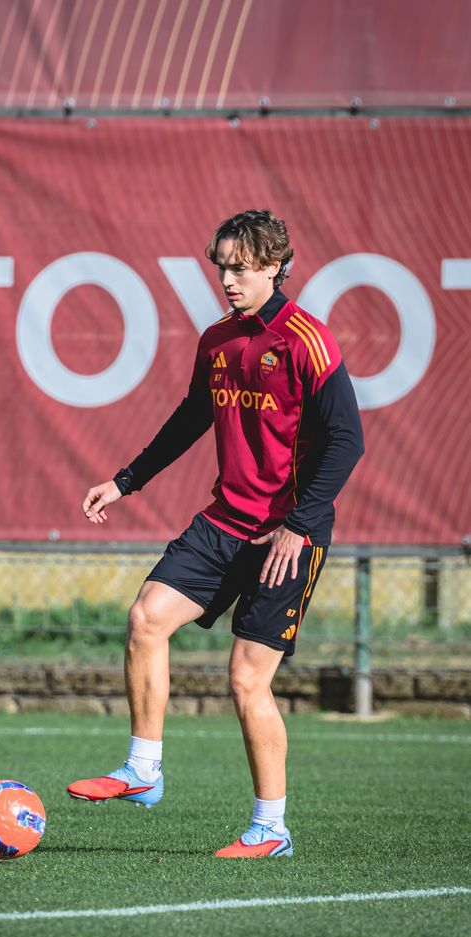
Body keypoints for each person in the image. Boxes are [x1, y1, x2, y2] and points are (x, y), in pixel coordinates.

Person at [67, 209, 364, 857]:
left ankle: (270, 829)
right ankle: (143, 770)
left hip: (285, 535)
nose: (228, 279)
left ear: (276, 267)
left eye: (241, 266)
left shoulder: (306, 340)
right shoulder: (217, 340)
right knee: (146, 618)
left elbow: (347, 439)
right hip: (224, 522)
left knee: (246, 680)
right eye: (222, 267)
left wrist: (298, 524)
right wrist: (125, 481)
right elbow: (190, 417)